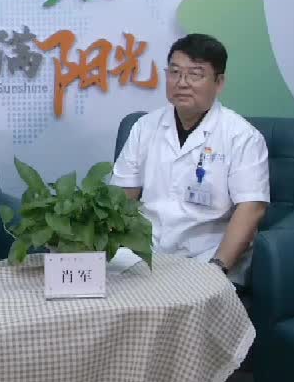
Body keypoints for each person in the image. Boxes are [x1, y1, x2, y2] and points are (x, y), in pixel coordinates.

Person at [111, 33, 270, 285]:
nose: (182, 83)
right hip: (143, 251)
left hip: (207, 254)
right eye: (175, 72)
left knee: (181, 297)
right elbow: (122, 195)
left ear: (219, 82)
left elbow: (252, 208)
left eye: (195, 74)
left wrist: (217, 267)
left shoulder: (242, 136)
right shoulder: (144, 126)